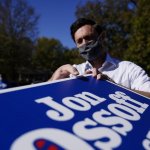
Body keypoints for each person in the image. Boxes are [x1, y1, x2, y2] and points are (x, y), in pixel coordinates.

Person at [49, 18, 150, 98]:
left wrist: (116, 88)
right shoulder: (74, 72)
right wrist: (56, 75)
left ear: (102, 37)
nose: (84, 43)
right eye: (79, 41)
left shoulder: (128, 69)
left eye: (88, 38)